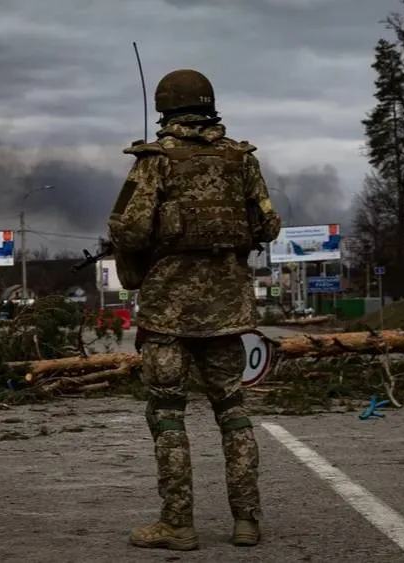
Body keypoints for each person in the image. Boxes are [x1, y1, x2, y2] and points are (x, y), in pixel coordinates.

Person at [106, 68, 282, 551]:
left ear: (165, 109)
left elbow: (130, 229)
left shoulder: (155, 161)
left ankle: (178, 523)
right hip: (228, 309)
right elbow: (268, 226)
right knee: (233, 410)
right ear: (209, 105)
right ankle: (247, 520)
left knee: (167, 413)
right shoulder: (240, 160)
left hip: (167, 312)